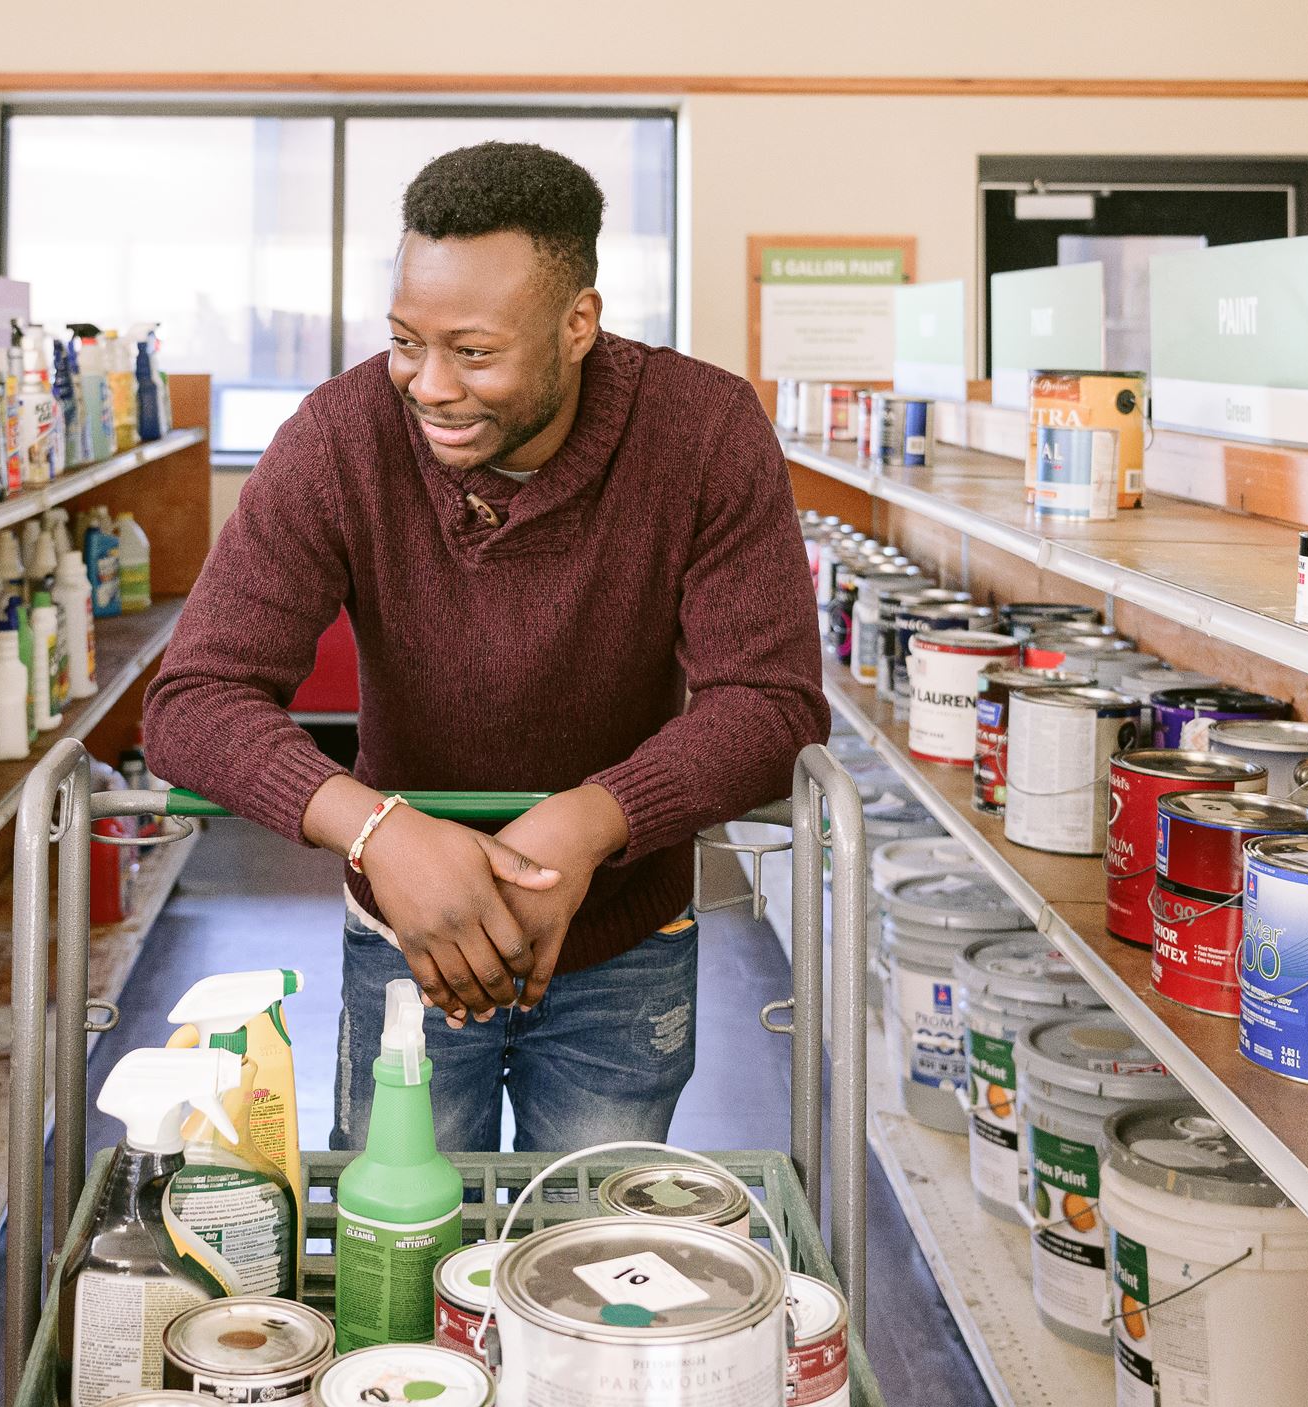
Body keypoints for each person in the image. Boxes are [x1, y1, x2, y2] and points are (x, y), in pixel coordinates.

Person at [145, 141, 825, 1151]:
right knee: (400, 1252)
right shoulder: (341, 435)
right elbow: (192, 699)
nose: (427, 385)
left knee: (584, 1254)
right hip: (405, 937)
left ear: (577, 324)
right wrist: (381, 832)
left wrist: (596, 819)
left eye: (472, 351)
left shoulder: (703, 429)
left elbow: (770, 702)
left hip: (621, 939)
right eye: (405, 341)